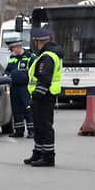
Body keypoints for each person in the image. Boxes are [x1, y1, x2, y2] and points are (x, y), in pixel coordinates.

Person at [24, 27, 64, 167]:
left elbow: (44, 79)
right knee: (39, 126)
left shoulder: (47, 57)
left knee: (44, 126)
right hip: (45, 96)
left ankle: (47, 157)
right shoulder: (50, 54)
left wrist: (35, 97)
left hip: (43, 97)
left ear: (36, 42)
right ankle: (38, 152)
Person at [4, 38, 36, 138]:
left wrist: (18, 75)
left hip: (26, 88)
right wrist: (6, 75)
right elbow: (8, 70)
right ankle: (19, 130)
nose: (11, 51)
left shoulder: (30, 57)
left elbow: (33, 72)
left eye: (12, 49)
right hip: (14, 87)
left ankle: (32, 131)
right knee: (16, 110)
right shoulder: (13, 58)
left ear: (18, 47)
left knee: (28, 109)